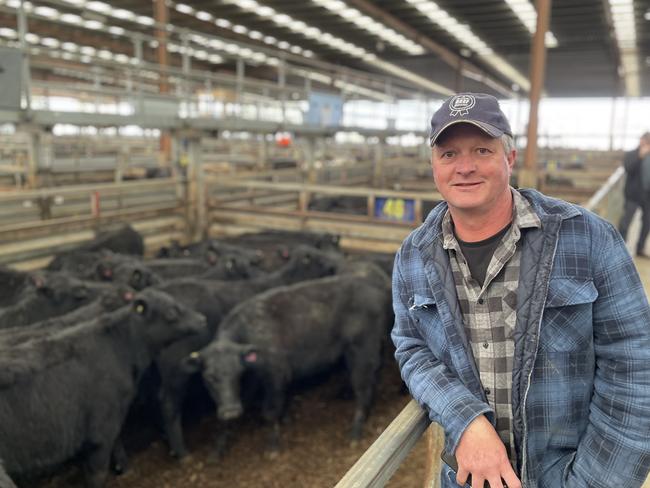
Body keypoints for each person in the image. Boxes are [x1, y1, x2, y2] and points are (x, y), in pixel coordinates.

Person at [391, 92, 650, 488]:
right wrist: (465, 419)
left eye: (482, 149)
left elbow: (635, 367)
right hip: (466, 478)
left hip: (569, 476)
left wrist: (596, 480)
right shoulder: (413, 255)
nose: (465, 167)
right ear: (433, 166)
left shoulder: (587, 237)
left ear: (509, 159)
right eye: (448, 154)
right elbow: (412, 348)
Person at [618, 132, 650, 257]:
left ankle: (640, 248)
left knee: (647, 223)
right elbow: (628, 168)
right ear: (641, 140)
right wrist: (640, 157)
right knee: (626, 222)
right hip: (633, 195)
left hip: (647, 196)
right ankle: (619, 247)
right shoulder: (632, 154)